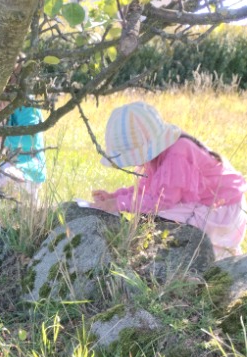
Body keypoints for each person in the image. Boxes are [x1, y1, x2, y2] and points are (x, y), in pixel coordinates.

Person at [91, 101, 247, 260]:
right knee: (149, 217)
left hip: (221, 208)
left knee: (157, 218)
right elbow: (147, 189)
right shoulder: (158, 154)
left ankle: (210, 259)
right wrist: (115, 196)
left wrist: (119, 204)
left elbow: (160, 201)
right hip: (210, 202)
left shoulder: (176, 156)